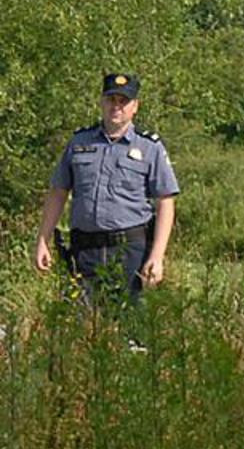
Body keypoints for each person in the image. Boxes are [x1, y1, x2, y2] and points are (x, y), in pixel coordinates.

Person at [32, 73, 180, 307]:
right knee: (80, 325)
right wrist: (43, 239)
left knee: (128, 324)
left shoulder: (149, 147)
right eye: (111, 99)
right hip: (84, 251)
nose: (116, 107)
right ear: (102, 102)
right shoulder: (79, 143)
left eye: (124, 101)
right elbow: (58, 192)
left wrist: (157, 256)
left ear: (135, 107)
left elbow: (165, 201)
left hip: (129, 250)